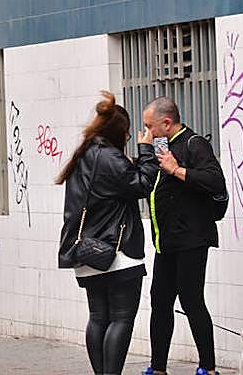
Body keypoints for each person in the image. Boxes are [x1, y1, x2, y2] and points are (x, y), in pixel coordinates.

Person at [57, 91, 160, 375]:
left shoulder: (85, 154)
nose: (128, 137)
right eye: (127, 133)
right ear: (119, 132)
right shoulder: (109, 157)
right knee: (122, 319)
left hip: (87, 253)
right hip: (117, 252)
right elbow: (141, 186)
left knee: (98, 317)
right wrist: (147, 151)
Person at [141, 96, 227, 375]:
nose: (146, 133)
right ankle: (158, 368)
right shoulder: (161, 146)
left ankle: (208, 368)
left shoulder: (195, 144)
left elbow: (214, 180)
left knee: (191, 300)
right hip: (165, 241)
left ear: (166, 123)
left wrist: (176, 170)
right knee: (160, 301)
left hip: (191, 239)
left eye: (149, 126)